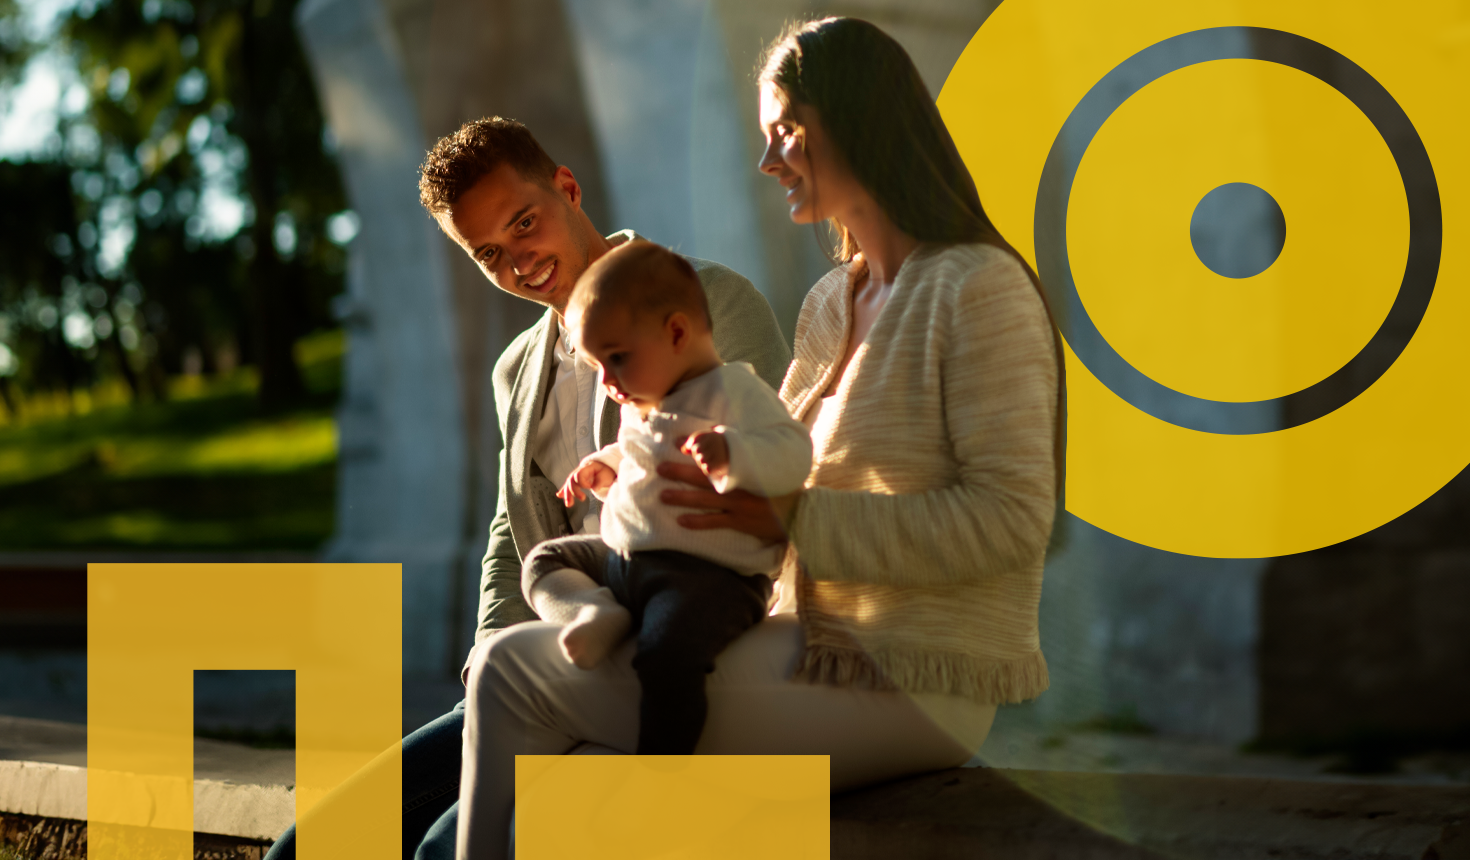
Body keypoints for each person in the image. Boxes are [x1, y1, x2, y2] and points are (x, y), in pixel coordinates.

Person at [455, 16, 1066, 860]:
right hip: (800, 646)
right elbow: (746, 465)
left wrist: (791, 519)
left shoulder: (979, 287)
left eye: (785, 133)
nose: (768, 161)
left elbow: (1012, 522)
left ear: (854, 122)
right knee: (552, 806)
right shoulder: (830, 303)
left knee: (513, 675)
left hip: (919, 676)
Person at [262, 118, 790, 860]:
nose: (518, 262)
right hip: (554, 656)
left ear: (568, 189)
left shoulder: (708, 303)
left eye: (525, 223)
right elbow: (515, 530)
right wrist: (491, 649)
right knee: (310, 848)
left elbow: (771, 493)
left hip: (684, 662)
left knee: (445, 850)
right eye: (488, 254)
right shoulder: (516, 369)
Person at [524, 240, 812, 754]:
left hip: (706, 578)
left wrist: (735, 456)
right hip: (628, 564)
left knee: (666, 658)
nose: (609, 384)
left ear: (676, 332)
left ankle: (665, 769)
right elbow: (635, 453)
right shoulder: (643, 398)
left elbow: (793, 452)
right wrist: (605, 466)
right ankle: (593, 612)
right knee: (546, 561)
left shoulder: (732, 392)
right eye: (599, 368)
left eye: (616, 360)